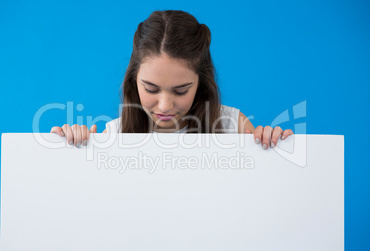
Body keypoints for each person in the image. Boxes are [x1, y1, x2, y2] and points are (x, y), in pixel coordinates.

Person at [51, 10, 293, 149]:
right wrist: (73, 147)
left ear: (201, 82)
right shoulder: (114, 134)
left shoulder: (232, 126)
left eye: (180, 91)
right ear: (134, 80)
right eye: (151, 89)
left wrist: (271, 147)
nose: (165, 106)